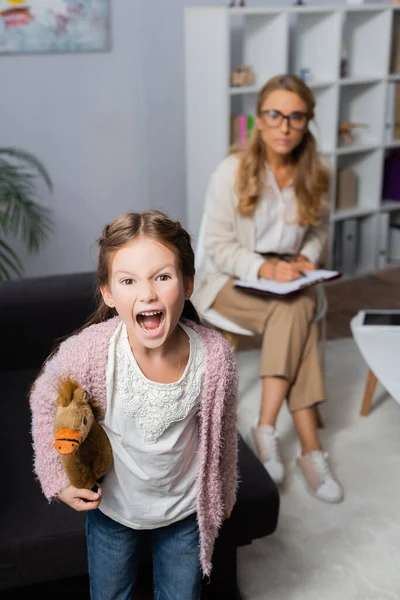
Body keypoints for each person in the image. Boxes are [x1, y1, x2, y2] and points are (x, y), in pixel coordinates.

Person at [29, 209, 239, 600]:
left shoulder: (215, 357)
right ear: (109, 293)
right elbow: (44, 402)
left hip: (184, 515)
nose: (147, 294)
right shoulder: (91, 352)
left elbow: (222, 432)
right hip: (112, 512)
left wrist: (222, 493)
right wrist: (57, 480)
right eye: (128, 281)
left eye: (162, 276)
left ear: (188, 284)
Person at [193, 73, 344, 504]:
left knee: (297, 308)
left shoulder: (316, 172)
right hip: (229, 279)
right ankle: (308, 449)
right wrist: (263, 269)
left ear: (307, 122)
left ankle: (267, 427)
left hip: (288, 281)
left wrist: (308, 258)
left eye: (296, 117)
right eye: (275, 114)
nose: (284, 126)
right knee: (299, 313)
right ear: (258, 118)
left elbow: (318, 231)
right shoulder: (232, 171)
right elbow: (218, 247)